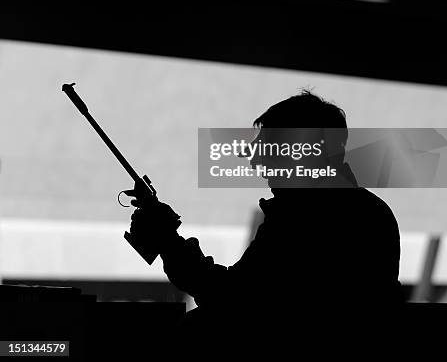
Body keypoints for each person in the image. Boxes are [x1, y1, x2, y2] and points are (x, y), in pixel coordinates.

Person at [129, 90, 403, 349]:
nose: (257, 162)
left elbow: (232, 300)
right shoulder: (370, 212)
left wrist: (167, 242)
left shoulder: (300, 221)